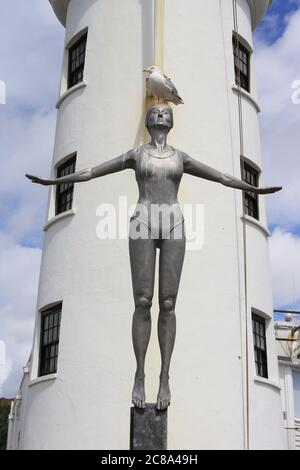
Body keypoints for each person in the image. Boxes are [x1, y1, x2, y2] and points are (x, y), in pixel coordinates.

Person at [26, 104, 281, 410]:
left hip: (173, 220)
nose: (160, 113)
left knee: (169, 303)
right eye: (155, 110)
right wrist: (55, 183)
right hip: (143, 220)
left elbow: (222, 177)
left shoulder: (180, 157)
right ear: (147, 119)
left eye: (165, 111)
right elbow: (93, 171)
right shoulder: (136, 154)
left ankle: (164, 376)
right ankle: (139, 373)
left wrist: (255, 189)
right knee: (143, 301)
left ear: (172, 120)